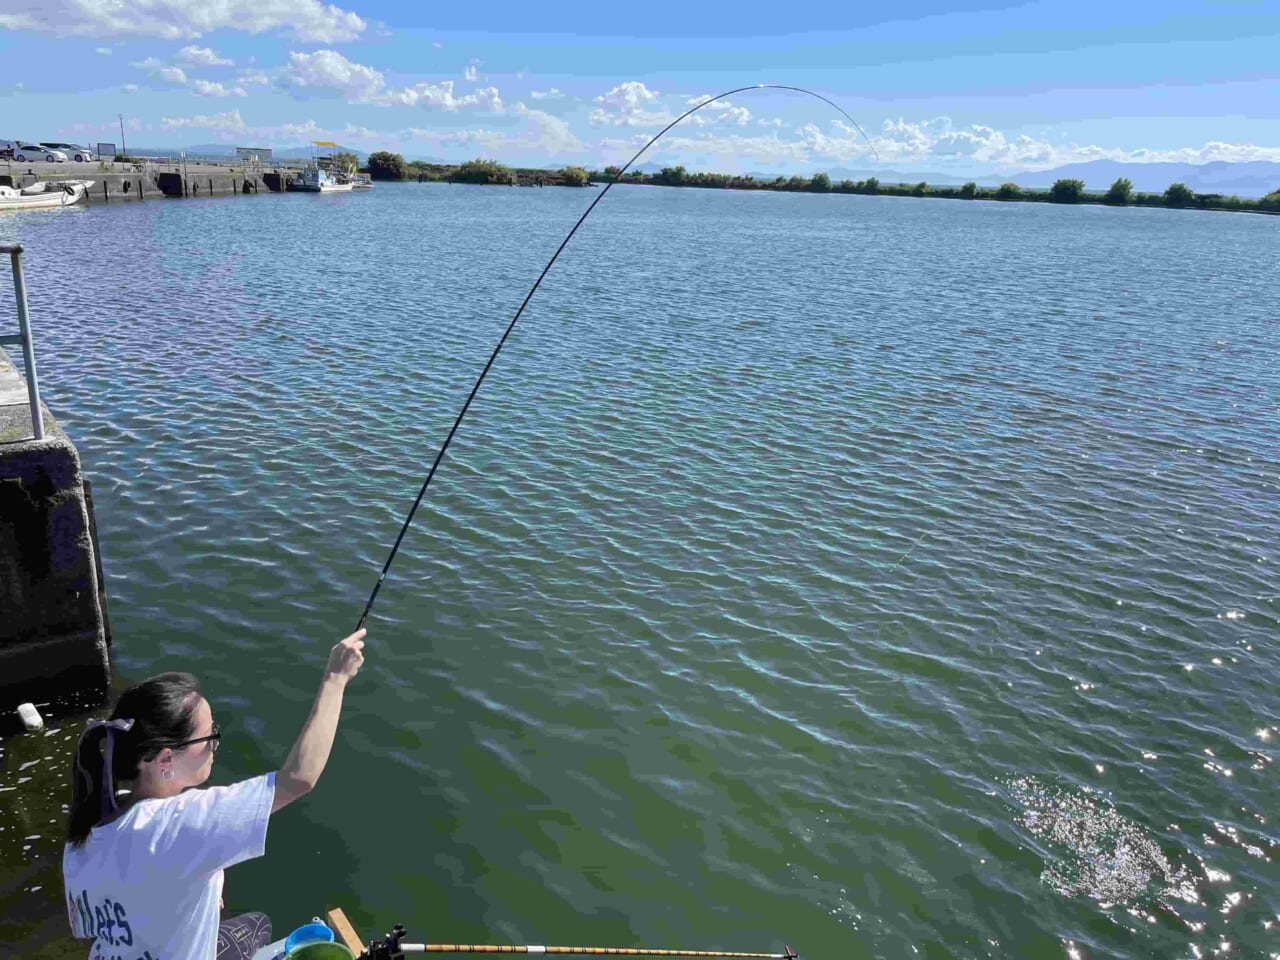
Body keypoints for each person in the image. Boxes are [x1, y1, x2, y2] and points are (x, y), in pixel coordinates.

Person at [62, 628, 367, 960]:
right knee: (260, 925)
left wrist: (193, 884)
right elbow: (298, 778)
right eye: (209, 736)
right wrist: (335, 679)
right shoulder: (181, 824)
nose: (216, 744)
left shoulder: (84, 835)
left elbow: (97, 921)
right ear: (165, 759)